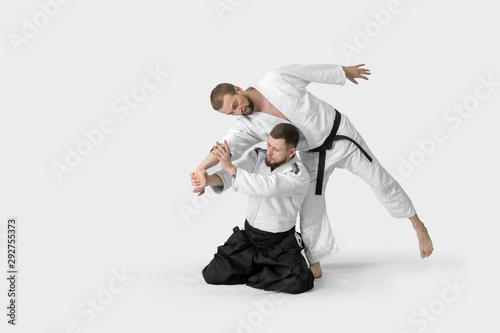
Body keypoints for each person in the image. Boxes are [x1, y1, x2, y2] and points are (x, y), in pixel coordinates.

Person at [192, 63, 434, 279]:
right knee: (310, 205)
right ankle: (315, 260)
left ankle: (417, 224)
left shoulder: (275, 79)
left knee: (379, 179)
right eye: (231, 113)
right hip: (311, 156)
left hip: (341, 137)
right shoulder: (246, 125)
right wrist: (201, 168)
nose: (238, 112)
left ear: (238, 88)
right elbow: (225, 148)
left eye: (235, 105)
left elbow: (310, 72)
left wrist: (342, 72)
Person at [194, 123, 314, 294]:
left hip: (278, 244)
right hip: (249, 238)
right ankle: (261, 269)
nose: (269, 152)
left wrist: (230, 167)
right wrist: (208, 180)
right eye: (269, 145)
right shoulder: (259, 156)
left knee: (297, 282)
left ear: (291, 152)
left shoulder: (298, 174)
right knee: (213, 274)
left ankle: (270, 264)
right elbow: (232, 175)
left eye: (276, 149)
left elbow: (268, 187)